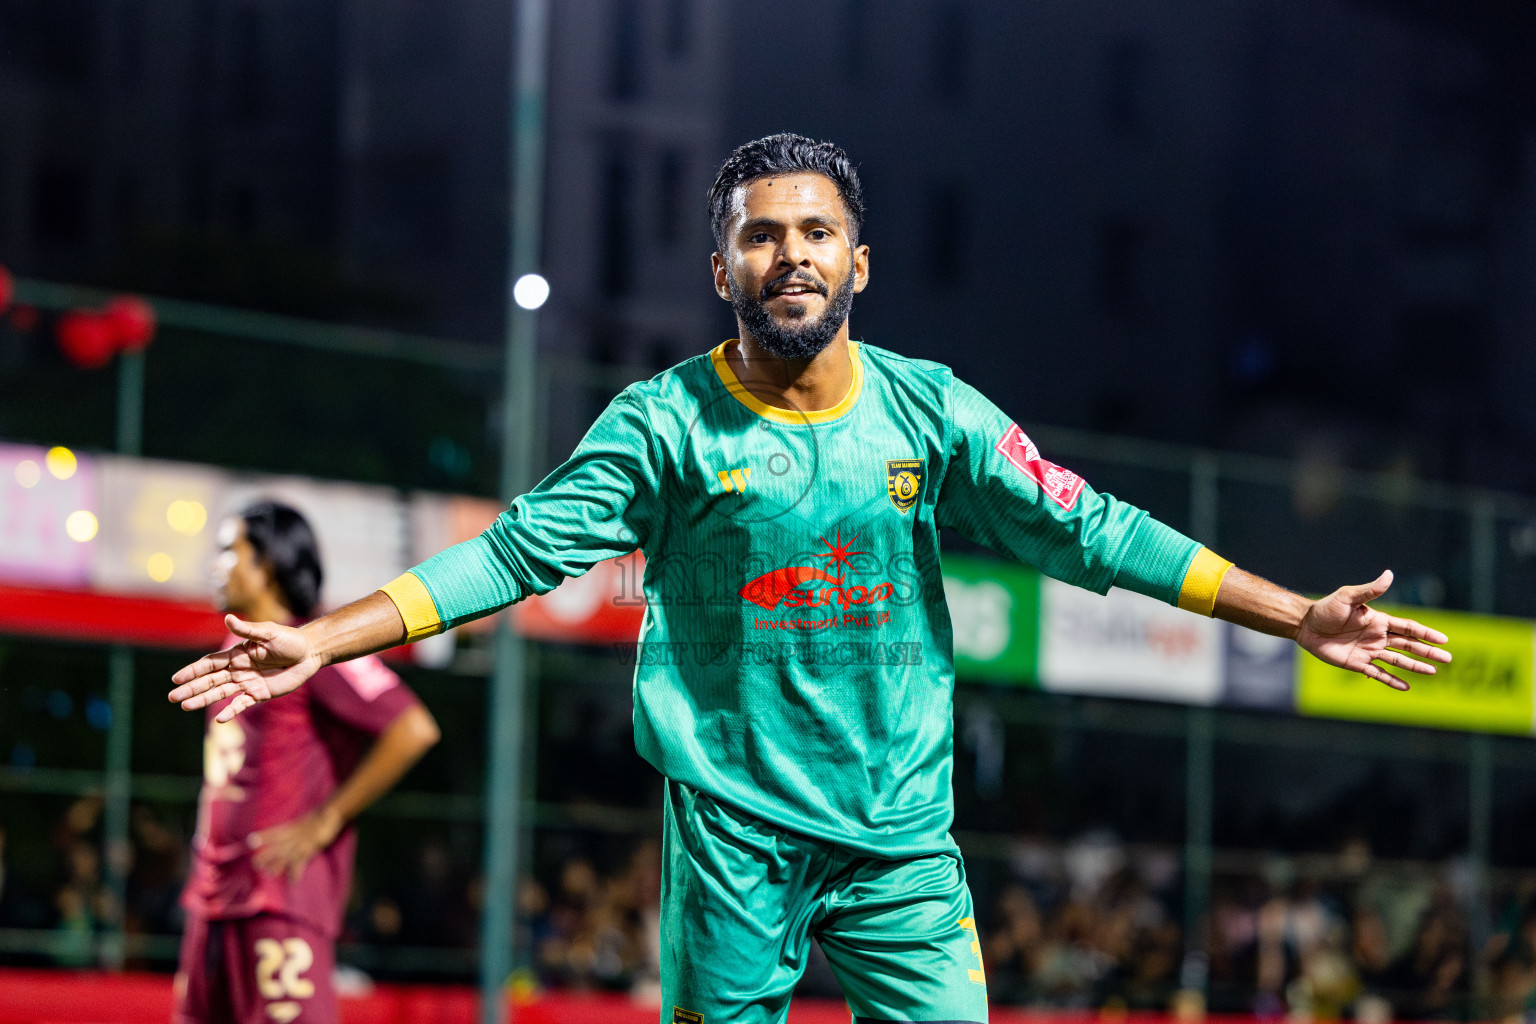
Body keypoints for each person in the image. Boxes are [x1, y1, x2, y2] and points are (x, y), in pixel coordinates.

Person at [169, 136, 1449, 1024]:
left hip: (899, 843)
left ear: (860, 264)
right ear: (722, 269)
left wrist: (1299, 617)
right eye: (762, 236)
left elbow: (1098, 529)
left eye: (817, 232)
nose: (792, 254)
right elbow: (514, 550)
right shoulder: (662, 425)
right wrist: (328, 639)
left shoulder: (932, 413)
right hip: (732, 833)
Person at [173, 501, 440, 1024]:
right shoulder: (235, 645)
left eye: (231, 549)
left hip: (278, 898)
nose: (215, 563)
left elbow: (413, 728)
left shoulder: (314, 645)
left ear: (269, 563)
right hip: (213, 899)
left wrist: (325, 821)